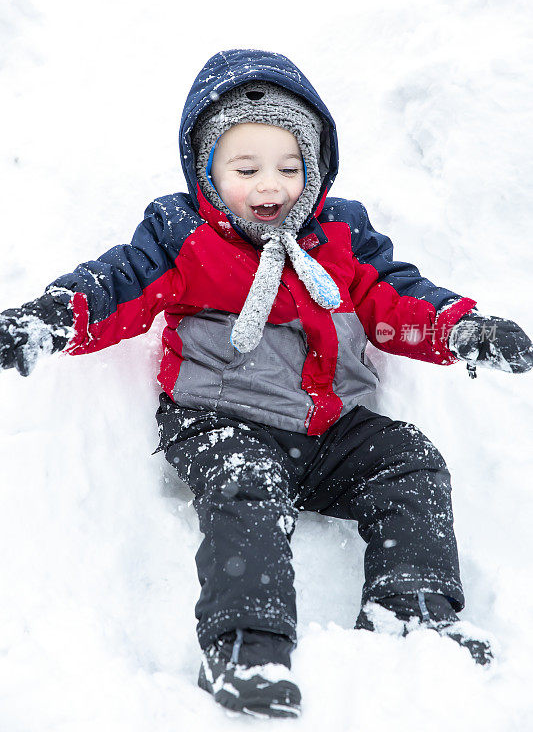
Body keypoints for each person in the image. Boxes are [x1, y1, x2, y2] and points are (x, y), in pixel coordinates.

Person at [1, 49, 532, 719]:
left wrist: (463, 330)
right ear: (206, 170)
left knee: (409, 463)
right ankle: (246, 648)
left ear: (314, 168)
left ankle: (414, 608)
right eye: (244, 168)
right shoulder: (183, 233)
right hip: (220, 419)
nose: (268, 185)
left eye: (289, 167)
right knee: (242, 487)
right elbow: (117, 285)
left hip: (328, 427)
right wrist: (47, 322)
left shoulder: (340, 234)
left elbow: (396, 298)